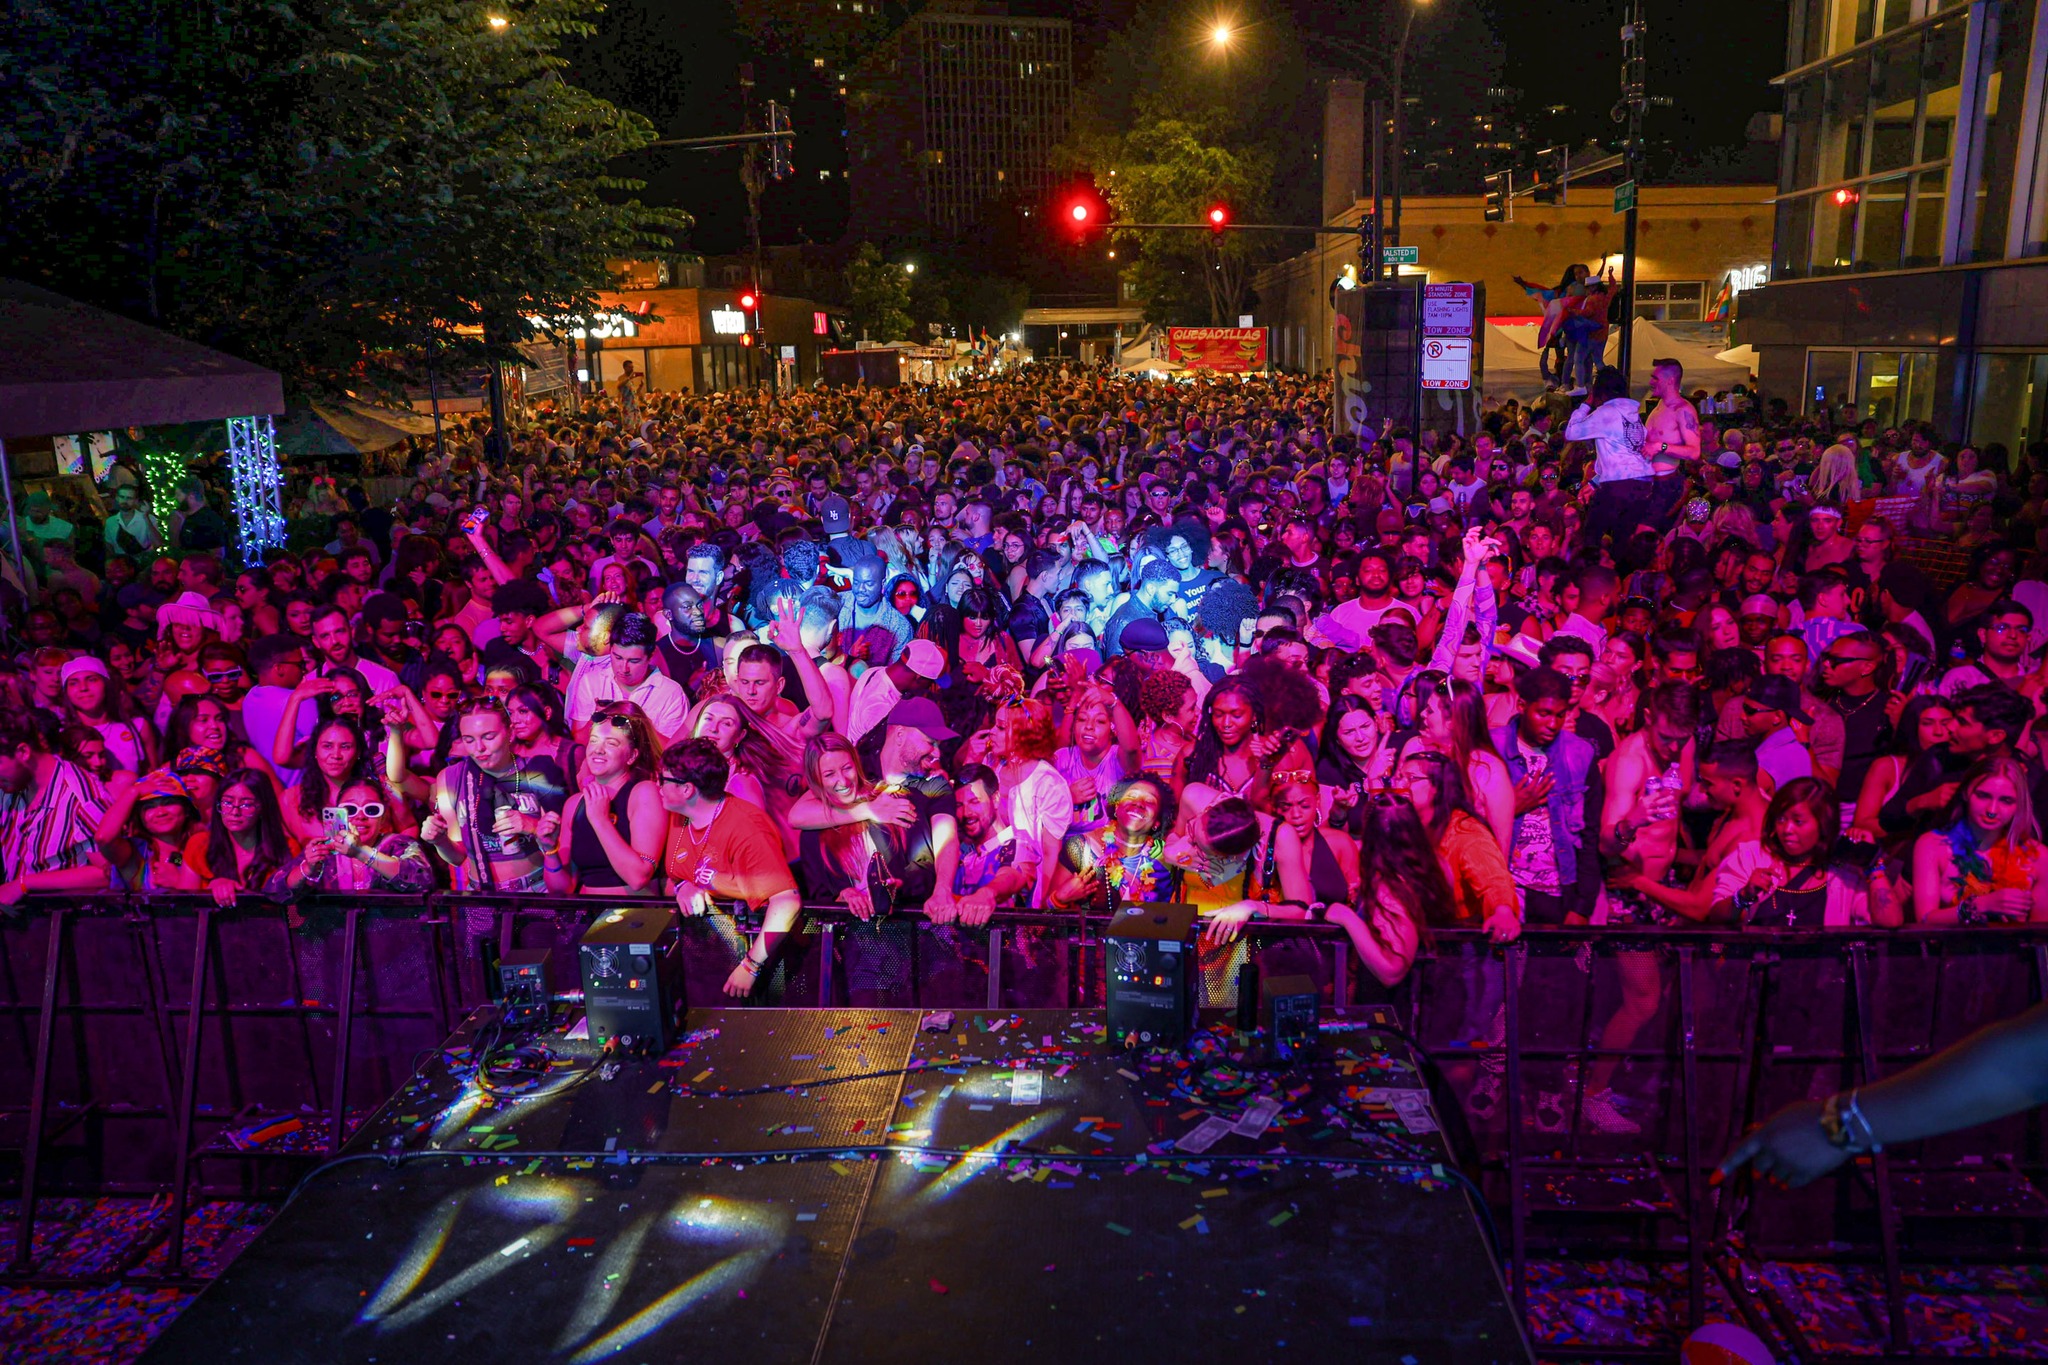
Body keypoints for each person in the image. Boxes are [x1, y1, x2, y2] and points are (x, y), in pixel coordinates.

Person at [658, 737, 804, 997]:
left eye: (663, 780)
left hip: (752, 959)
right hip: (704, 957)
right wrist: (683, 886)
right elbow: (675, 876)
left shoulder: (747, 828)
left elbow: (787, 901)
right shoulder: (680, 816)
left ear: (687, 789)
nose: (657, 787)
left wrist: (751, 965)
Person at [538, 704, 666, 896]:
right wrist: (550, 850)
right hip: (587, 915)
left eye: (611, 743)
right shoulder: (574, 804)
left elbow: (638, 877)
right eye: (594, 740)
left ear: (632, 756)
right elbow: (562, 889)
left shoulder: (644, 793)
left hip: (634, 917)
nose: (598, 750)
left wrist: (600, 820)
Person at [1911, 755, 2048, 924]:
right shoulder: (1932, 845)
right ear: (1966, 793)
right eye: (1983, 796)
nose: (1992, 810)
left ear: (2019, 804)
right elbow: (1924, 920)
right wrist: (1980, 905)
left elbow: (2040, 935)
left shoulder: (2038, 856)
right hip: (1955, 949)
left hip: (2013, 949)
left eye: (2006, 800)